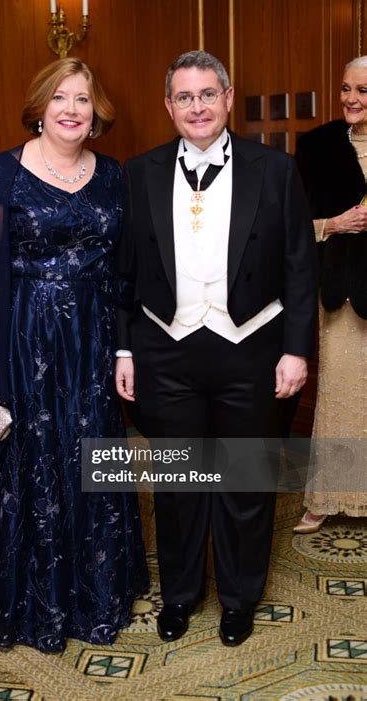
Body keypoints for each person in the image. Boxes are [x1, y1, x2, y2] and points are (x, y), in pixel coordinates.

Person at [0, 58, 148, 653]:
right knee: (28, 463)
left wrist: (125, 344)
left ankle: (94, 593)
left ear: (95, 110)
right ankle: (31, 602)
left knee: (89, 459)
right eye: (60, 98)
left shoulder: (113, 176)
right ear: (40, 107)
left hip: (92, 342)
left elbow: (126, 267)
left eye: (82, 99)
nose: (72, 109)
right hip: (21, 342)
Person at [116, 50, 317, 647]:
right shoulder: (139, 171)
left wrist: (296, 349)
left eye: (208, 94)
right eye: (185, 97)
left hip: (251, 347)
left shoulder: (276, 169)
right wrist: (124, 351)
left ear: (228, 99)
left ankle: (238, 598)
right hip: (165, 349)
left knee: (245, 482)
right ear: (169, 108)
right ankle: (179, 596)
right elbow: (121, 274)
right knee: (176, 484)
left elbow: (300, 268)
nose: (197, 106)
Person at [293, 56, 367, 534]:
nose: (351, 99)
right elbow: (291, 226)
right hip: (342, 291)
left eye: (362, 90)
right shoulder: (317, 146)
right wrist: (334, 224)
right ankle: (327, 496)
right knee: (341, 392)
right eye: (345, 88)